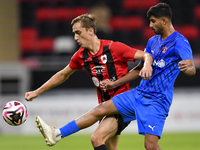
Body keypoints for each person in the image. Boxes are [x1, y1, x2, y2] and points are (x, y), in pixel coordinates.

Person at [25, 13, 153, 150]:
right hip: (107, 109)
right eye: (74, 34)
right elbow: (62, 75)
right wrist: (37, 92)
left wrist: (146, 65)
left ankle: (57, 134)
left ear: (90, 31)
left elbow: (146, 55)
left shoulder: (114, 48)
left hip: (122, 105)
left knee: (96, 139)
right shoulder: (81, 56)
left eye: (78, 33)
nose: (75, 38)